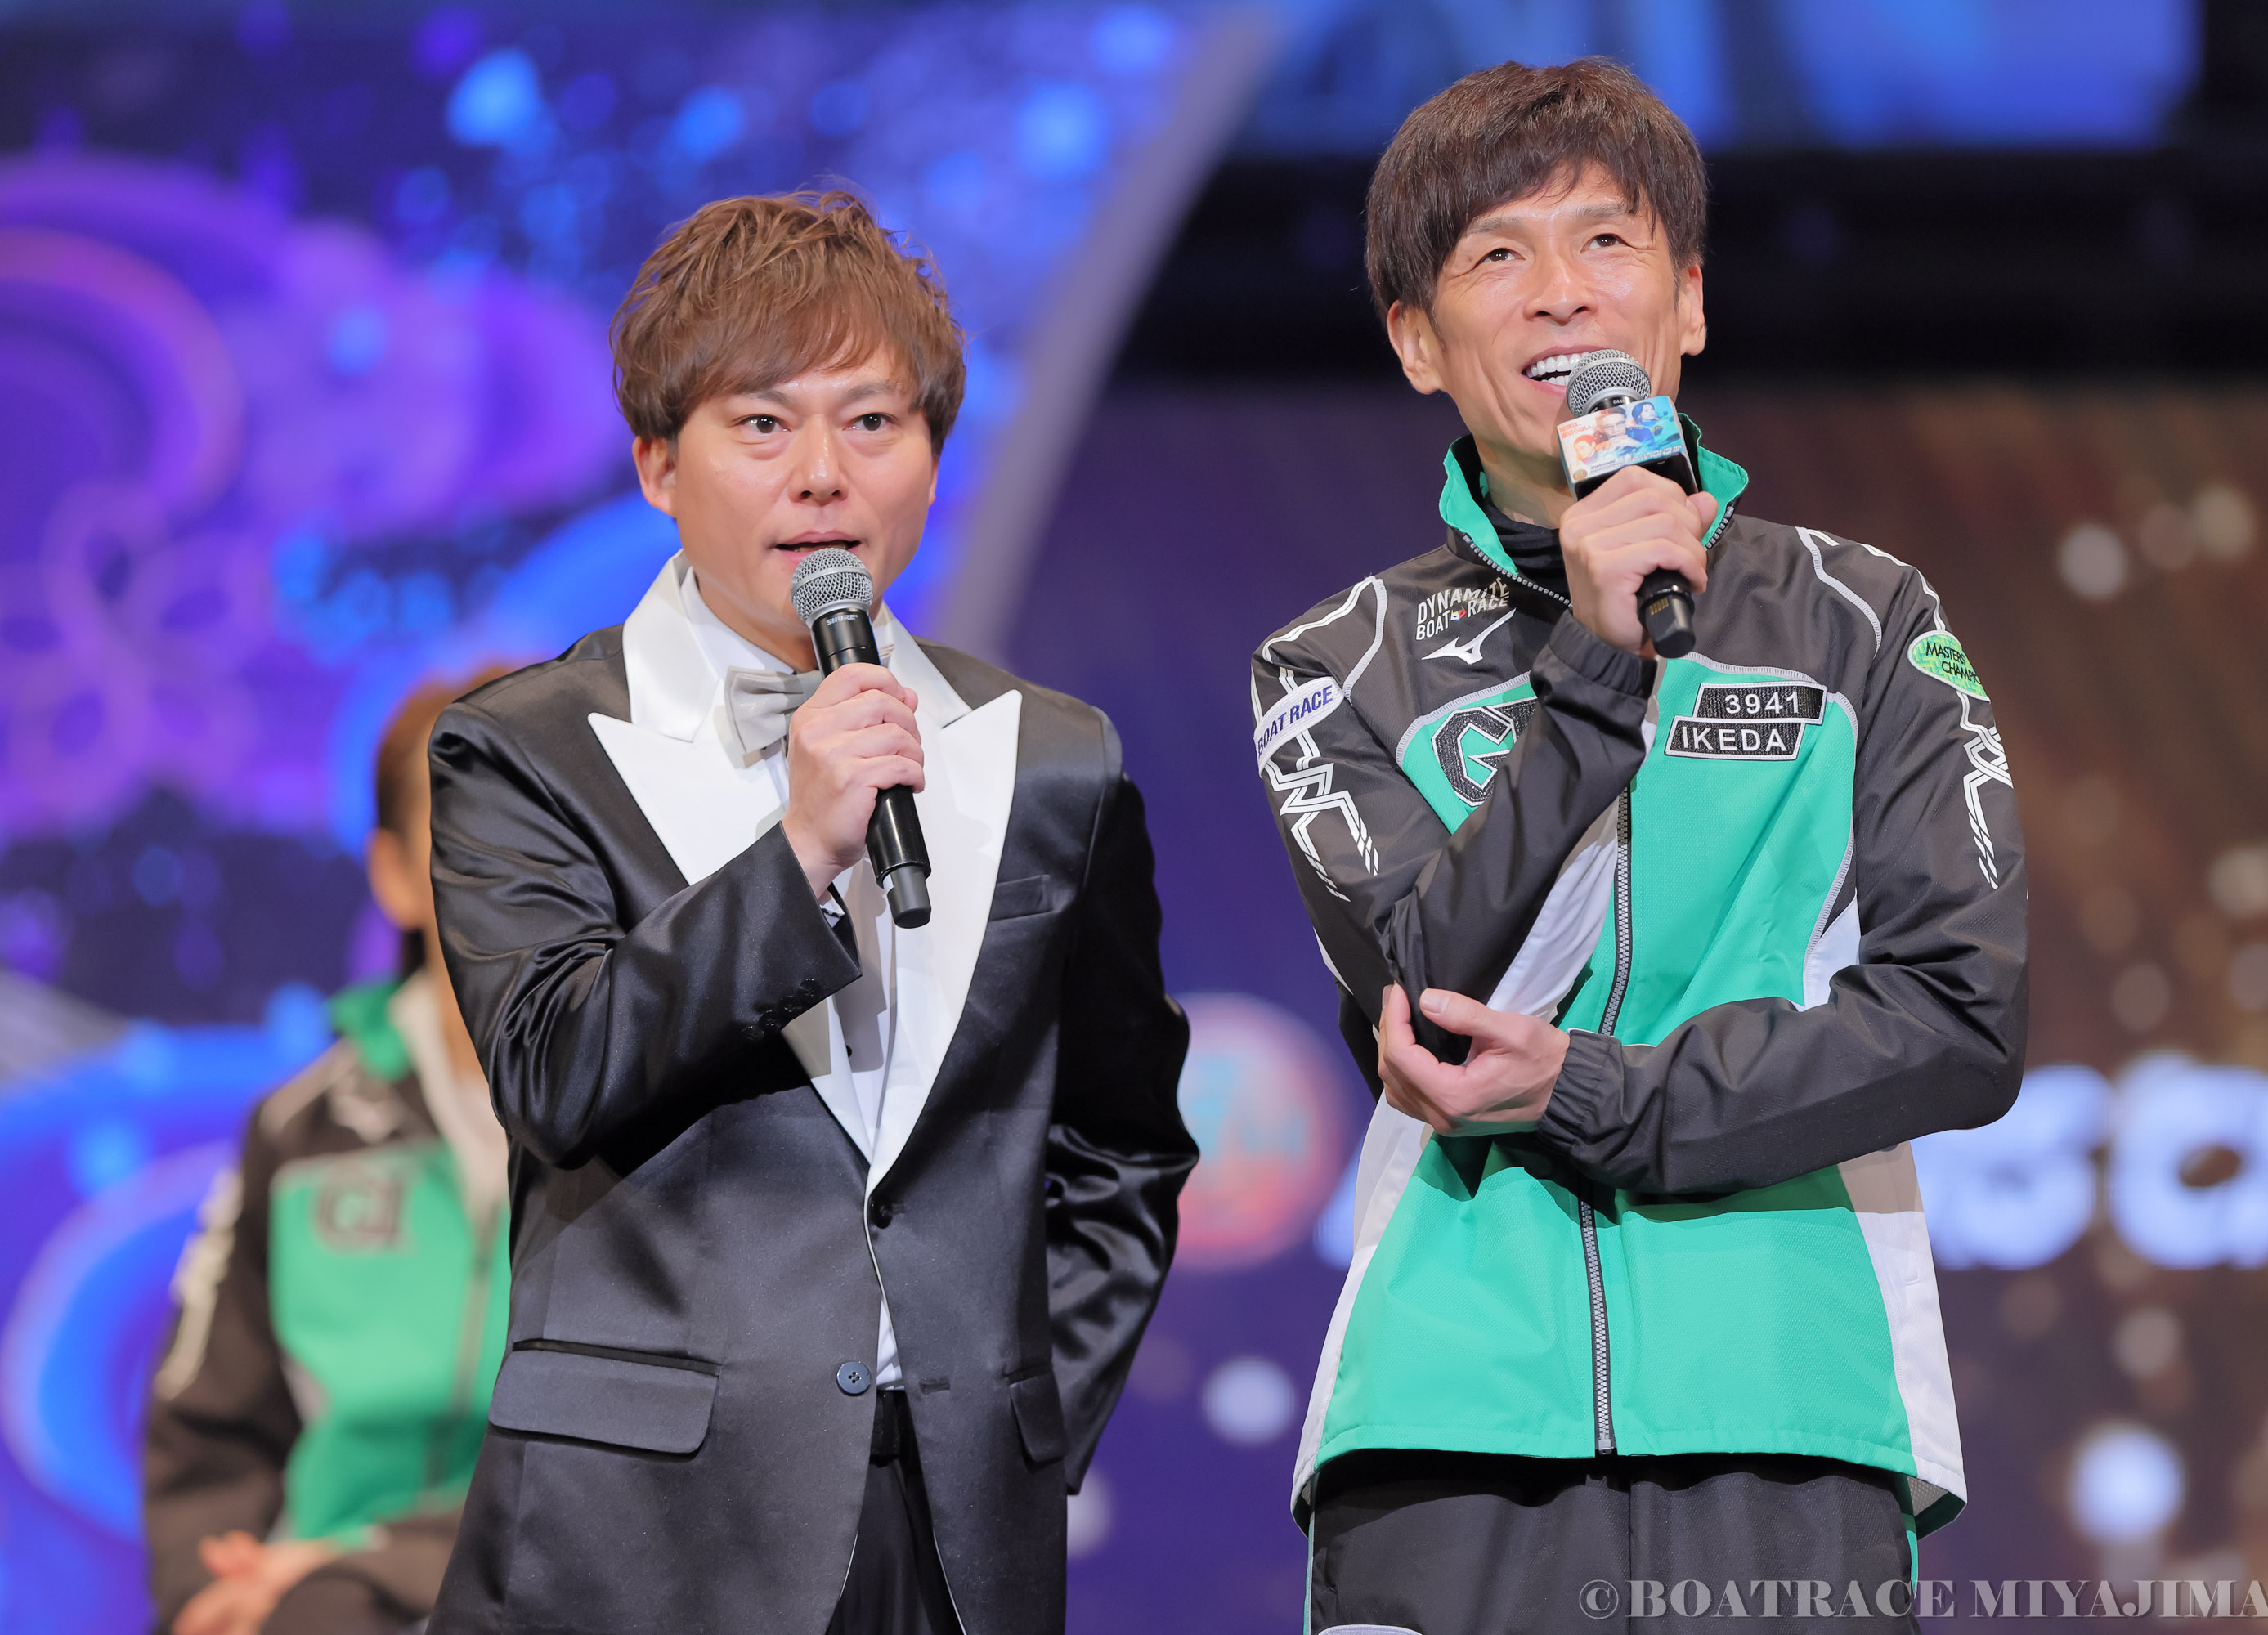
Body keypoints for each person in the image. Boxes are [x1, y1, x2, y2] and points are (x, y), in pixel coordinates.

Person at [1249, 60, 2027, 1633]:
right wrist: (1598, 673)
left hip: (1792, 1403)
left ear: (1690, 302)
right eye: (1497, 255)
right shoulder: (1333, 665)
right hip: (1445, 1415)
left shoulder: (1866, 620)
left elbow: (1961, 1021)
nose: (1561, 294)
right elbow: (1428, 999)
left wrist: (1596, 1094)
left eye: (1606, 242)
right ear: (1417, 341)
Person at [422, 191, 1195, 1635]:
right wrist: (797, 854)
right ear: (660, 464)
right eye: (764, 425)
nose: (824, 477)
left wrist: (1012, 1430)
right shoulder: (527, 748)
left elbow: (1121, 1145)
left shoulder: (1051, 758)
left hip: (953, 1542)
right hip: (635, 1537)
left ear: (934, 456)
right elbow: (555, 1072)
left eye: (874, 422)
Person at [146, 666, 514, 1635]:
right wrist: (215, 1592)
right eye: (467, 831)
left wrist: (378, 1559)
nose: (513, 869)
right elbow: (206, 1430)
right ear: (393, 873)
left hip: (551, 1590)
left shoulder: (661, 1121)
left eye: (547, 824)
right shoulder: (297, 1132)